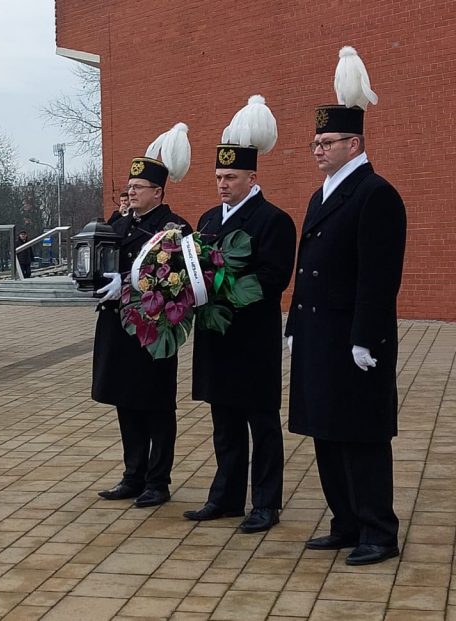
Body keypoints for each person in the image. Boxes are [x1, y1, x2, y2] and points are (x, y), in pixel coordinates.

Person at [286, 46, 407, 566]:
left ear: (354, 143)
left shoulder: (376, 194)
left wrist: (365, 336)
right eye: (314, 142)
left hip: (353, 338)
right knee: (326, 431)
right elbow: (307, 264)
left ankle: (378, 531)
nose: (317, 150)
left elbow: (379, 278)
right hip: (318, 335)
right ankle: (345, 521)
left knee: (361, 435)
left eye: (326, 141)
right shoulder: (323, 194)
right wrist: (294, 322)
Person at [185, 95, 296, 534]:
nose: (222, 184)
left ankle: (266, 503)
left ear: (253, 177)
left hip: (252, 340)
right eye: (218, 177)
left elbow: (273, 280)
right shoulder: (209, 218)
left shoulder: (274, 220)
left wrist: (221, 289)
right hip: (216, 338)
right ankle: (226, 496)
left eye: (231, 177)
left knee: (262, 424)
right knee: (224, 422)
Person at [93, 123, 192, 508]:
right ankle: (132, 475)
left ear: (158, 192)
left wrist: (131, 287)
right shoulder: (120, 224)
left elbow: (178, 282)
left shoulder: (173, 228)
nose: (130, 192)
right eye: (129, 187)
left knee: (155, 406)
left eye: (138, 187)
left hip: (154, 330)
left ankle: (157, 480)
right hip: (118, 328)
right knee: (125, 402)